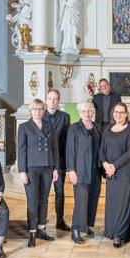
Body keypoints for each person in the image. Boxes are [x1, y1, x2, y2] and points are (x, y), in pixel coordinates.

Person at [17, 99, 59, 247]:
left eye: (41, 109)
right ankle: (32, 232)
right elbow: (21, 151)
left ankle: (42, 229)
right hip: (31, 169)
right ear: (30, 111)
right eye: (35, 109)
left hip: (47, 167)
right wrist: (22, 171)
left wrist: (56, 168)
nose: (38, 111)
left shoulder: (49, 125)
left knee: (44, 200)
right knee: (32, 201)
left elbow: (55, 148)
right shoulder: (24, 127)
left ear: (44, 110)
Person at [100, 102, 130, 248]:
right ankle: (111, 230)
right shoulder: (108, 128)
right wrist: (105, 164)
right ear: (113, 113)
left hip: (125, 171)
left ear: (126, 114)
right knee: (113, 203)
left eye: (121, 112)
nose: (118, 115)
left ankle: (120, 235)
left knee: (124, 204)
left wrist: (114, 166)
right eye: (116, 112)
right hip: (111, 172)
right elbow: (101, 150)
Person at [66, 101, 102, 244]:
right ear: (79, 113)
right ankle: (75, 229)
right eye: (84, 111)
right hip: (80, 170)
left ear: (93, 112)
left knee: (93, 199)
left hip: (95, 169)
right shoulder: (74, 128)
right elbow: (70, 150)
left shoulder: (97, 127)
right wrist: (71, 170)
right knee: (81, 201)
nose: (87, 113)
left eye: (89, 110)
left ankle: (86, 226)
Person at [43, 89, 71, 232]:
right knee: (45, 193)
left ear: (58, 101)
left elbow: (67, 141)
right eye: (50, 98)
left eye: (55, 99)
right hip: (44, 162)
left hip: (59, 160)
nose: (52, 101)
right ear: (46, 100)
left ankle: (60, 221)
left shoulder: (65, 117)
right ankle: (41, 222)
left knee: (59, 192)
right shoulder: (40, 116)